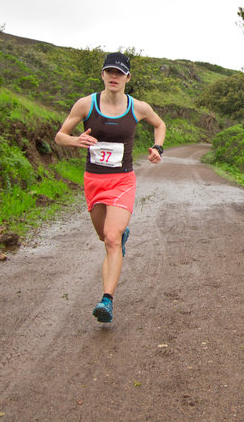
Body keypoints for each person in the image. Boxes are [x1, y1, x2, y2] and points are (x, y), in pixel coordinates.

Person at [55, 52, 166, 323]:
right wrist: (75, 141)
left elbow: (160, 124)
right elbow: (60, 136)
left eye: (119, 73)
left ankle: (107, 300)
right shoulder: (86, 104)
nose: (113, 77)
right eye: (109, 72)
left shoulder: (138, 107)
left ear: (128, 77)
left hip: (122, 180)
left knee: (112, 238)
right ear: (103, 75)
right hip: (94, 181)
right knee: (104, 237)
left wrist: (157, 147)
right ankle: (120, 235)